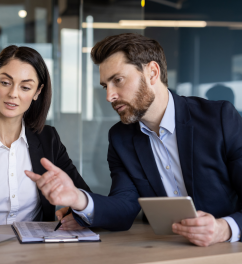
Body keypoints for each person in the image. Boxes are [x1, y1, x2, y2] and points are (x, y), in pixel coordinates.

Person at [25, 33, 242, 247]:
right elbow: (124, 207)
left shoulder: (219, 118)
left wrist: (225, 229)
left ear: (152, 73)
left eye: (118, 80)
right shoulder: (121, 137)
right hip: (167, 252)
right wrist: (77, 198)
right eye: (105, 86)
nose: (110, 96)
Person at [0, 45, 90, 227]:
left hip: (36, 250)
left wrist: (75, 209)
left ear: (37, 92)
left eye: (25, 87)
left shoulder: (48, 139)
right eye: (5, 82)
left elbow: (85, 196)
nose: (13, 94)